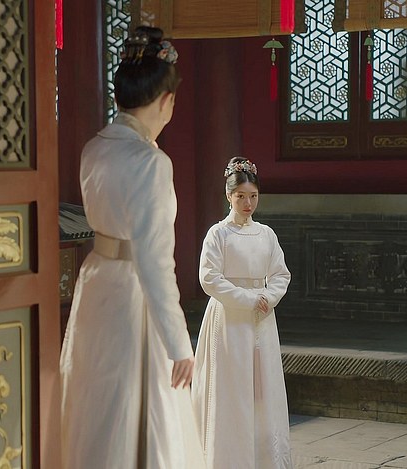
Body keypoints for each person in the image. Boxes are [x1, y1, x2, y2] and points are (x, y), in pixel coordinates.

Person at [59, 25, 205, 469]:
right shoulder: (150, 162)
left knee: (96, 403)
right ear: (165, 101)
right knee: (137, 407)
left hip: (96, 283)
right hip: (132, 295)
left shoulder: (94, 148)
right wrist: (179, 343)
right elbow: (155, 263)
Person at [192, 156, 294, 468]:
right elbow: (209, 278)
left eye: (253, 196)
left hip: (262, 318)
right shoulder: (218, 234)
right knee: (231, 389)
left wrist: (268, 297)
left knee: (263, 390)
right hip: (228, 319)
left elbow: (281, 274)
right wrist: (249, 299)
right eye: (241, 196)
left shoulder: (266, 234)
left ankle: (262, 459)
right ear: (229, 196)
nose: (248, 203)